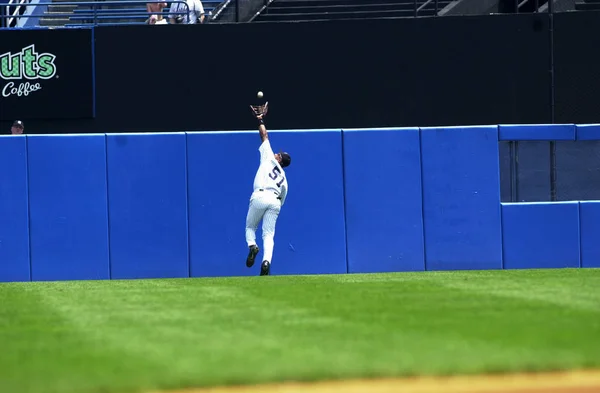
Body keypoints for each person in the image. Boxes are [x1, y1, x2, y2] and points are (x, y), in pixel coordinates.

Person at [245, 102, 291, 276]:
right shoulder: (285, 180)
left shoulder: (269, 158)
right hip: (275, 200)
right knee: (269, 234)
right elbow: (282, 199)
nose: (276, 154)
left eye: (279, 154)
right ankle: (266, 261)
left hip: (260, 195)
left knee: (250, 228)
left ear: (279, 158)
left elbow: (264, 136)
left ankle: (252, 246)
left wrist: (260, 119)